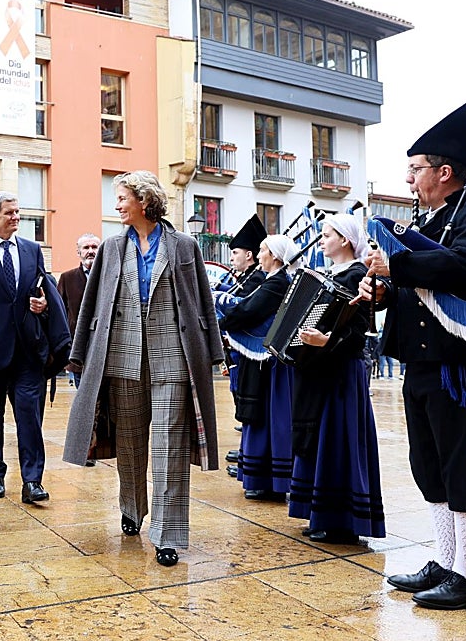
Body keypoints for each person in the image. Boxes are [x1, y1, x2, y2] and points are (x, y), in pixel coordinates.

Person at [362, 104, 466, 610]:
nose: (409, 177)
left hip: (462, 367)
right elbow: (418, 287)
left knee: (465, 469)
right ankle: (445, 563)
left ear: (445, 172)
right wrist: (381, 292)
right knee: (429, 466)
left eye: (416, 167)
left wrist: (398, 264)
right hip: (421, 366)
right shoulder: (427, 222)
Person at [61, 171, 222, 567]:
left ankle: (168, 533)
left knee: (169, 446)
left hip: (174, 356)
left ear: (144, 201)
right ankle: (132, 510)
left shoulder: (184, 246)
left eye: (122, 198)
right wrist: (79, 352)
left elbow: (203, 300)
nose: (116, 206)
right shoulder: (112, 248)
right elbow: (92, 304)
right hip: (122, 355)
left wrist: (215, 354)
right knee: (131, 445)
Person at [287, 214, 385, 547]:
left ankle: (342, 522)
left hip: (343, 371)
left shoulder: (358, 275)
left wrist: (325, 342)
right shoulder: (331, 275)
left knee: (339, 441)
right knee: (323, 439)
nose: (323, 239)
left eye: (327, 234)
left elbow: (359, 335)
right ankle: (322, 514)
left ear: (344, 239)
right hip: (324, 372)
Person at [0, 192, 69, 505]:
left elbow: (41, 290)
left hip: (29, 352)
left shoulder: (31, 250)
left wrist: (42, 305)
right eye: (9, 213)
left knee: (29, 416)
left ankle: (32, 481)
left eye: (18, 212)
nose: (16, 217)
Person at [216, 234, 301, 502]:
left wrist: (219, 306)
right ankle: (260, 478)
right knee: (258, 415)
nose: (259, 255)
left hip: (270, 363)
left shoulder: (277, 283)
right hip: (261, 363)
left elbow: (246, 312)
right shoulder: (270, 281)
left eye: (263, 250)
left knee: (268, 417)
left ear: (275, 257)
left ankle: (271, 481)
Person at [220, 214, 268, 471]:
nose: (231, 258)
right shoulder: (248, 278)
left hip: (252, 352)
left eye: (235, 252)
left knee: (249, 402)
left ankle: (249, 452)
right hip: (238, 351)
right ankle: (247, 449)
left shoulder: (258, 279)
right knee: (241, 398)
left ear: (249, 255)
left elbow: (242, 312)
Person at [57, 232, 100, 389]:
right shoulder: (67, 278)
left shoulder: (110, 277)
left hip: (103, 350)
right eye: (86, 247)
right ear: (79, 252)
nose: (90, 251)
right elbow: (58, 313)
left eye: (94, 247)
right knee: (82, 400)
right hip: (77, 351)